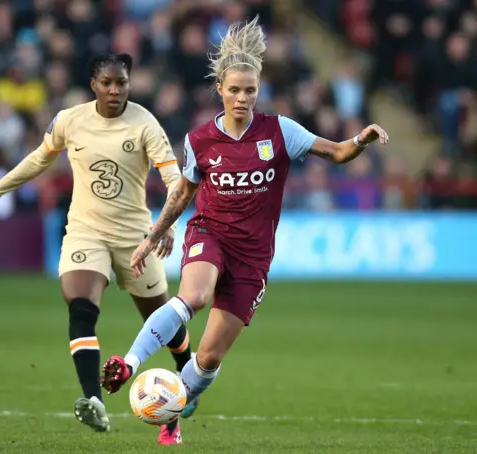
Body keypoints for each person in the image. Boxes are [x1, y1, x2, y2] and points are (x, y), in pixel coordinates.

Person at [101, 16, 389, 440]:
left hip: (253, 256)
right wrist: (156, 233)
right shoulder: (200, 140)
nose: (242, 98)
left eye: (250, 90)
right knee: (193, 296)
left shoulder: (280, 131)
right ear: (219, 89)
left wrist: (361, 139)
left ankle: (173, 413)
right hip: (210, 234)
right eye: (234, 90)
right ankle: (128, 363)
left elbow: (338, 152)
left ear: (259, 90)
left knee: (209, 358)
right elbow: (182, 194)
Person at [0, 54, 198, 442]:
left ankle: (184, 385)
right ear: (93, 82)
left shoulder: (145, 123)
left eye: (122, 83)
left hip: (136, 239)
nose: (115, 90)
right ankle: (93, 400)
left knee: (166, 324)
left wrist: (167, 226)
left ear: (129, 84)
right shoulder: (69, 120)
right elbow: (39, 159)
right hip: (85, 232)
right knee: (80, 308)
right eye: (108, 82)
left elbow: (173, 177)